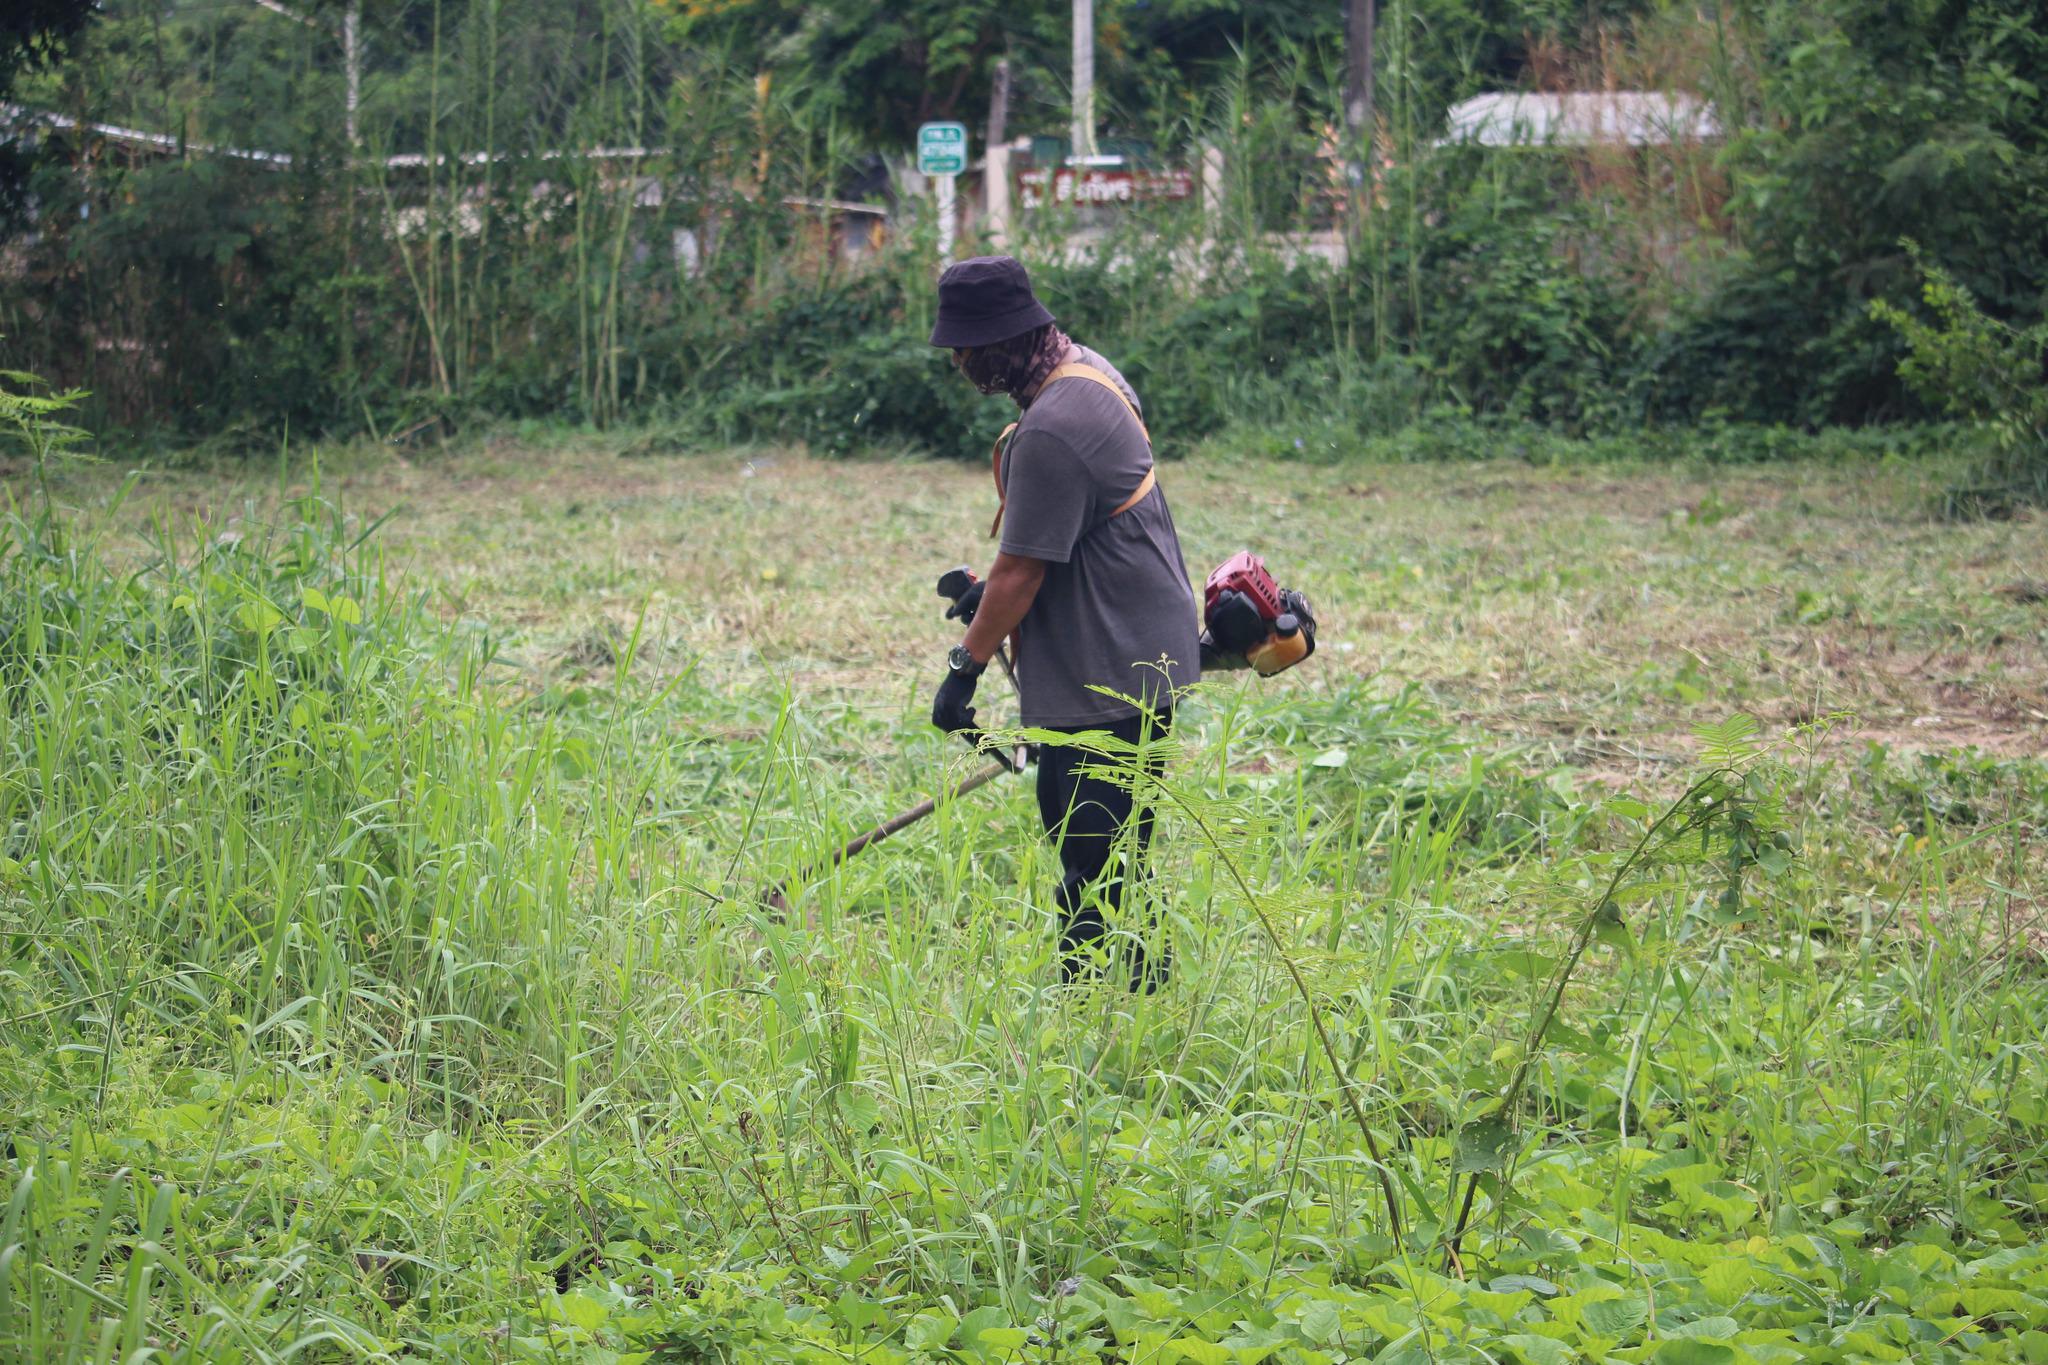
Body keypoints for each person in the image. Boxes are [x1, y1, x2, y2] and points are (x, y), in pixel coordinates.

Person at [926, 255, 1200, 990]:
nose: (959, 362)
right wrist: (991, 599)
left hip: (1111, 668)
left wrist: (963, 669)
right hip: (1137, 651)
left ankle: (1096, 1014)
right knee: (1112, 844)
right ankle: (1138, 989)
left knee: (1092, 850)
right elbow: (1058, 540)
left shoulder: (1053, 424)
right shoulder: (1086, 370)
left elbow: (1020, 573)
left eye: (968, 347)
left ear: (1005, 338)